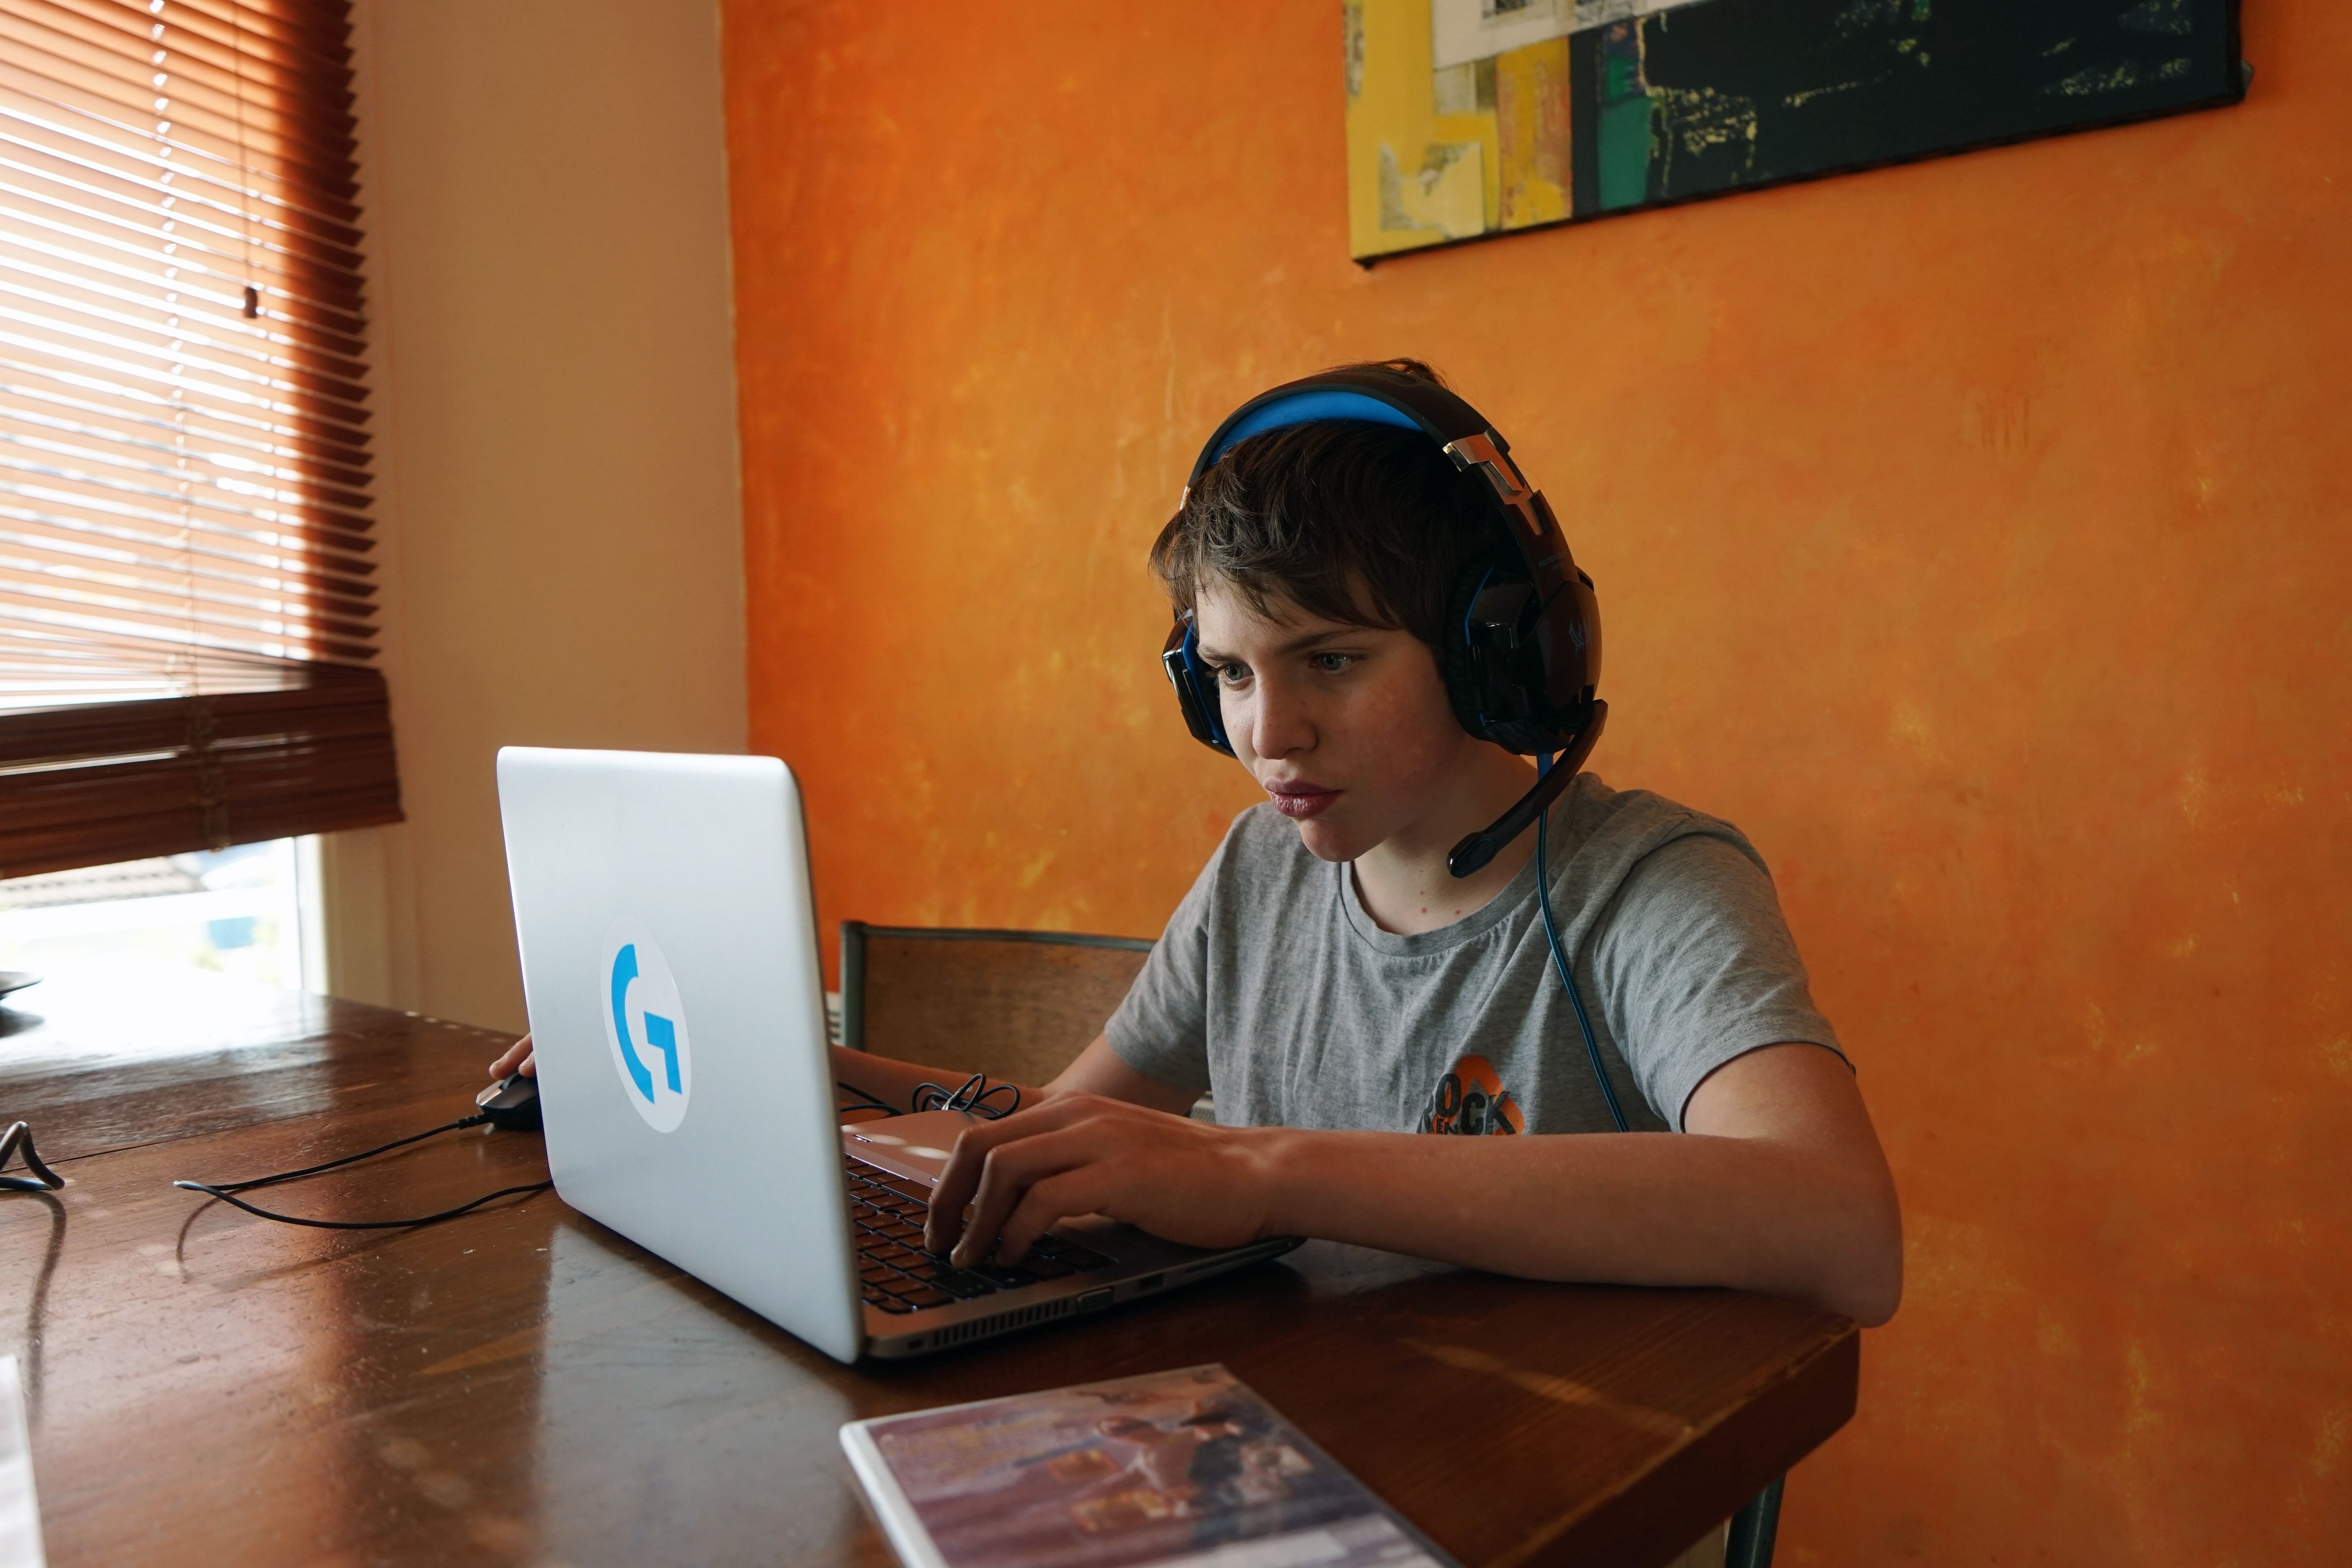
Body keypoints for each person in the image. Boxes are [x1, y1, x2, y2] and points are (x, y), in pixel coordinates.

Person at [493, 361, 1902, 1325]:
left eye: (1331, 662)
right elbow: (1057, 1130)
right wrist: (778, 1065)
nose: (1269, 732)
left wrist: (1261, 1167)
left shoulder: (1649, 887)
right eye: (1228, 675)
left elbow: (1837, 1224)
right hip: (1284, 1446)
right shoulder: (1263, 869)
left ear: (1497, 652)